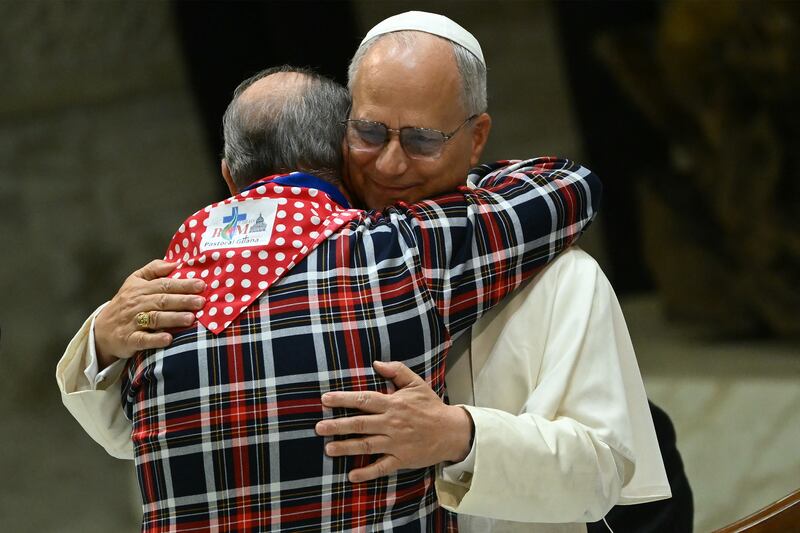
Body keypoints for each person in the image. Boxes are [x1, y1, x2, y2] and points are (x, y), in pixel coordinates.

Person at [57, 11, 683, 532]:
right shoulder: (262, 267)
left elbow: (606, 471)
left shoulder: (564, 278)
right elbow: (148, 435)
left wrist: (460, 437)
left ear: (475, 138)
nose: (389, 164)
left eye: (422, 141)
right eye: (368, 132)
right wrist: (103, 340)